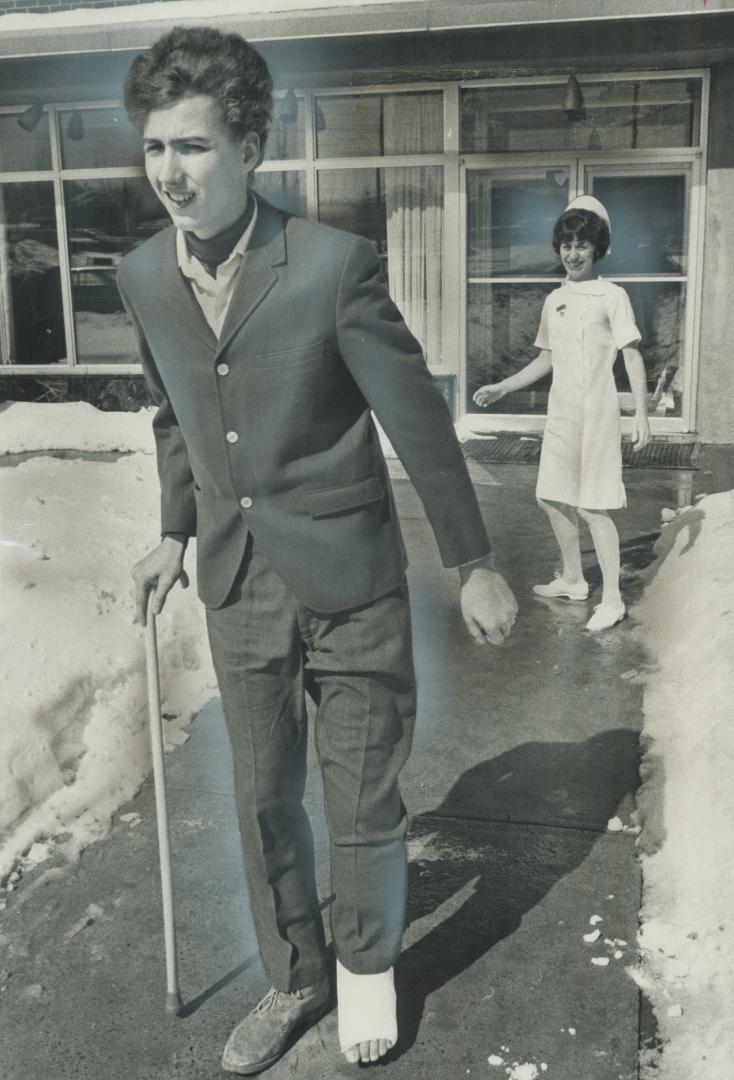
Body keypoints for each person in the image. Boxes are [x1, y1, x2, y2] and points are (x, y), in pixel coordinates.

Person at [119, 26, 517, 1075]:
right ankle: (294, 977)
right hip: (236, 586)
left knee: (359, 797)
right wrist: (170, 530)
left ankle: (366, 969)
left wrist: (471, 558)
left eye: (193, 146)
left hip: (350, 583)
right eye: (155, 147)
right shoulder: (142, 277)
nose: (171, 171)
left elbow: (414, 421)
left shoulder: (334, 267)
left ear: (248, 146)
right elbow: (174, 416)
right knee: (260, 798)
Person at [474, 195, 651, 632]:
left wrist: (641, 414)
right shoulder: (555, 300)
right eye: (566, 245)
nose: (573, 254)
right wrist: (502, 386)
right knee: (550, 496)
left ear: (597, 249)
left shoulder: (614, 295)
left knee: (593, 507)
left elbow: (632, 357)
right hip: (562, 414)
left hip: (598, 413)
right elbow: (545, 359)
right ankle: (573, 578)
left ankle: (612, 599)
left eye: (582, 246)